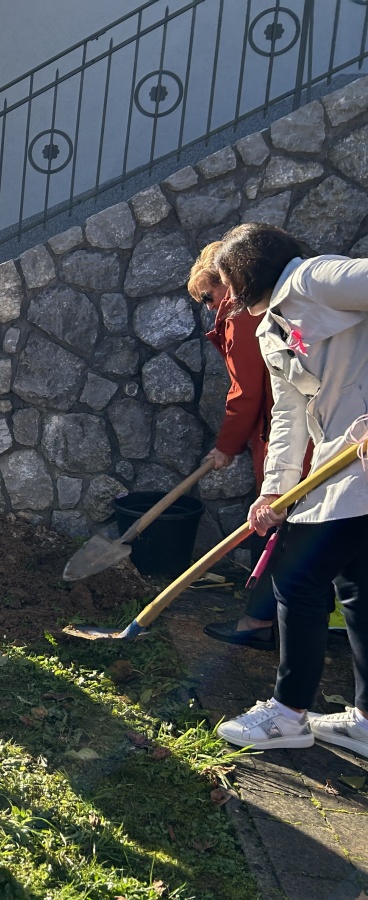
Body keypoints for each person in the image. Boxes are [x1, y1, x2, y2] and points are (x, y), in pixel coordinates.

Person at [212, 223, 368, 759]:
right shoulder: (270, 328)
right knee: (357, 589)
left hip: (359, 465)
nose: (228, 296)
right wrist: (273, 494)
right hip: (339, 468)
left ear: (249, 269)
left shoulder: (317, 279)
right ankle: (366, 721)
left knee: (297, 578)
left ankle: (287, 714)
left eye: (229, 281)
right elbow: (289, 416)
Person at [187, 242, 278, 650]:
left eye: (208, 296)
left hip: (284, 438)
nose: (209, 307)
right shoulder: (257, 308)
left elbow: (246, 393)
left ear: (224, 282)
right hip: (287, 432)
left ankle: (257, 621)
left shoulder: (240, 317)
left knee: (281, 524)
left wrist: (226, 447)